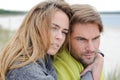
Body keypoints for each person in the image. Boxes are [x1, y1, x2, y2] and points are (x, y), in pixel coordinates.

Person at [0, 0, 72, 80]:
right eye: (54, 28)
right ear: (35, 27)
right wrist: (88, 73)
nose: (60, 37)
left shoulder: (45, 57)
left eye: (64, 32)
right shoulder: (25, 70)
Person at [53, 4, 104, 80]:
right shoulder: (58, 70)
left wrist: (99, 58)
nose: (91, 48)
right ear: (66, 37)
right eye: (81, 39)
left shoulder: (95, 60)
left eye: (95, 38)